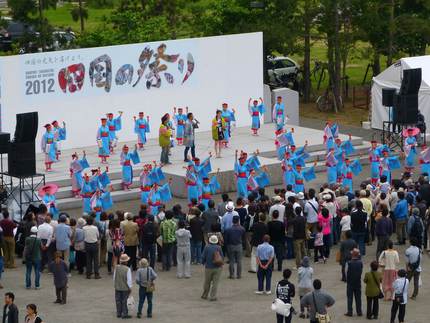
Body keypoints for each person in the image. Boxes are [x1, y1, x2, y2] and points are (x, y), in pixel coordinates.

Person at [201, 235, 224, 301]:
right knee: (215, 283)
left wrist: (203, 262)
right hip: (217, 267)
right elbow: (222, 257)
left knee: (207, 282)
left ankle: (205, 295)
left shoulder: (206, 247)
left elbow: (203, 256)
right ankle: (213, 296)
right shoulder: (219, 247)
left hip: (208, 267)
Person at [345, 248, 363, 317]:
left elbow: (346, 273)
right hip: (358, 282)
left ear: (352, 255)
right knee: (358, 298)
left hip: (350, 283)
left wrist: (348, 280)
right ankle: (359, 311)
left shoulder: (348, 263)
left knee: (350, 298)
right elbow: (361, 271)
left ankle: (350, 312)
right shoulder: (360, 262)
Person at [114, 254, 133, 319]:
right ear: (126, 262)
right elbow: (129, 280)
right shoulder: (127, 269)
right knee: (124, 300)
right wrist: (130, 287)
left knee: (118, 300)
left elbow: (114, 277)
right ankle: (124, 313)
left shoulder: (116, 267)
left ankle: (118, 313)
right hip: (125, 288)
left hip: (117, 287)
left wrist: (115, 284)